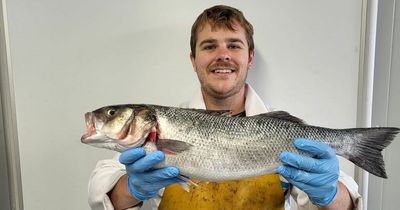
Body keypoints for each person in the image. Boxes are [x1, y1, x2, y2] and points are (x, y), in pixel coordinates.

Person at [88, 5, 362, 210]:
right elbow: (100, 190)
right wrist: (132, 189)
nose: (223, 55)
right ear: (193, 59)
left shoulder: (282, 130)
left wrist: (329, 193)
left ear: (249, 57)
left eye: (234, 45)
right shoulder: (160, 128)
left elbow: (348, 199)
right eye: (209, 46)